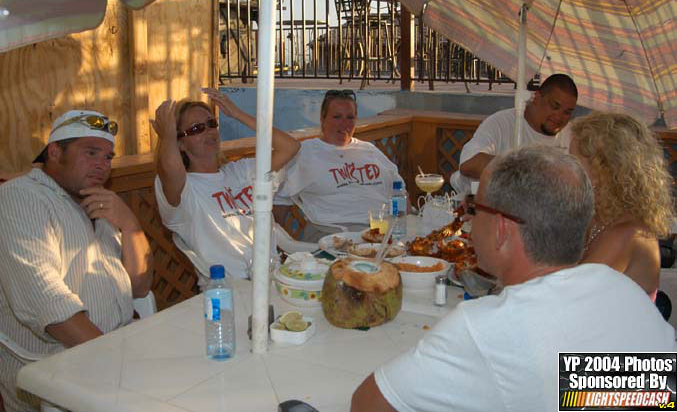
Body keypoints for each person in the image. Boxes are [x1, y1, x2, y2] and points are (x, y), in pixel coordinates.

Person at [351, 146, 676, 412]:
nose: (469, 219)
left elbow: (367, 405)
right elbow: (623, 395)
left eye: (475, 208)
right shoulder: (623, 292)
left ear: (503, 229)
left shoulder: (486, 328)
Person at [0, 110, 153, 412]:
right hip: (57, 368)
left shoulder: (96, 199)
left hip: (111, 352)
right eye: (91, 153)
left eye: (108, 157)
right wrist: (115, 362)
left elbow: (139, 287)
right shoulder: (20, 198)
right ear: (55, 152)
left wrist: (131, 225)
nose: (102, 164)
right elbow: (48, 304)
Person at [151, 88, 301, 283]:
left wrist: (237, 114)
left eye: (211, 124)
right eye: (197, 129)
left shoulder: (240, 171)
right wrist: (167, 137)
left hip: (274, 278)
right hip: (231, 289)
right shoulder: (184, 188)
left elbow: (290, 147)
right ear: (180, 144)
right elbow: (169, 170)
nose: (209, 131)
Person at [274, 89, 406, 241]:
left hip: (383, 232)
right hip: (334, 235)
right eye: (337, 117)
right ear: (322, 119)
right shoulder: (304, 153)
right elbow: (279, 200)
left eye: (350, 117)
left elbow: (400, 191)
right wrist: (279, 245)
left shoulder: (369, 150)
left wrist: (403, 226)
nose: (345, 124)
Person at [570, 112, 674, 298]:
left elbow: (570, 296)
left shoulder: (628, 232)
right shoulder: (600, 218)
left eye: (574, 161)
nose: (568, 169)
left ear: (604, 169)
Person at [450, 73, 577, 195]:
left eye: (567, 112)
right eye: (555, 106)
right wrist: (528, 168)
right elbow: (469, 164)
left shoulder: (572, 136)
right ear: (537, 97)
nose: (559, 117)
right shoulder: (501, 123)